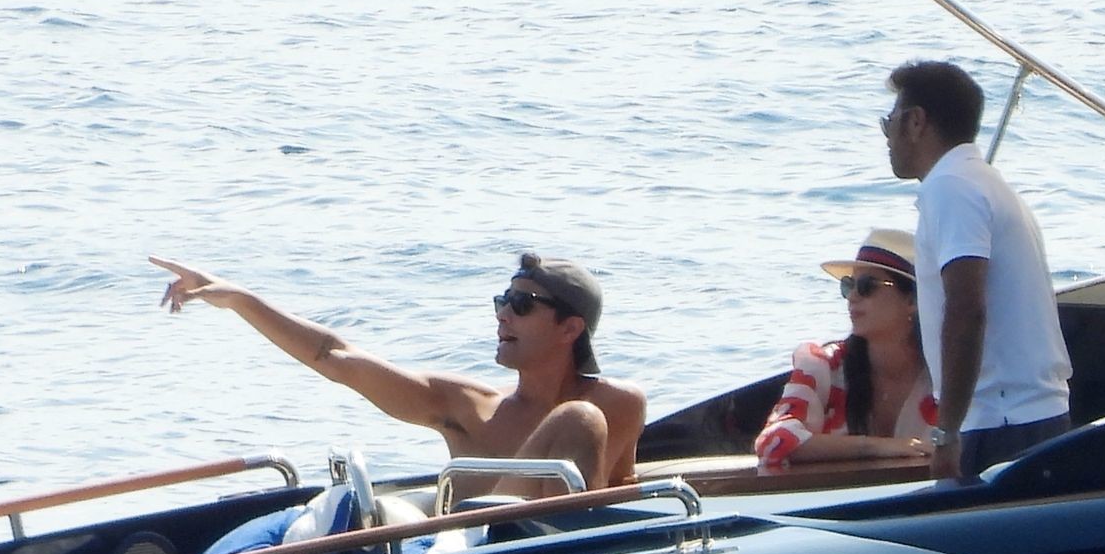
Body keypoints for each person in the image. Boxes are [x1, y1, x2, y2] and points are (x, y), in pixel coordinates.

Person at [150, 252, 646, 493]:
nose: (502, 316)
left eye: (521, 304)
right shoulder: (466, 407)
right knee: (579, 420)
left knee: (581, 420)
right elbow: (336, 357)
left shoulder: (622, 406)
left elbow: (622, 489)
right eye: (501, 301)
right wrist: (240, 299)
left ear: (570, 328)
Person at [881, 60, 1071, 481]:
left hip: (1000, 423)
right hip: (1030, 416)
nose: (887, 137)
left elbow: (966, 308)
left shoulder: (951, 188)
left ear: (916, 122)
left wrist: (946, 432)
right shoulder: (984, 182)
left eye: (888, 123)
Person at [753, 228, 936, 472]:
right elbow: (773, 441)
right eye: (848, 286)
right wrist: (879, 447)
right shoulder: (823, 366)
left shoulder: (946, 376)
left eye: (867, 286)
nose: (852, 297)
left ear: (912, 300)